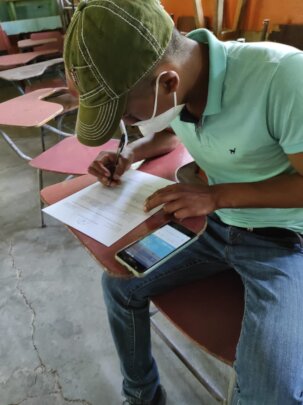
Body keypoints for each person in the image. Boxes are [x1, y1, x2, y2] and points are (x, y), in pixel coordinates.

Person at [64, 1, 303, 404]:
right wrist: (130, 153)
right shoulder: (181, 82)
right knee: (121, 285)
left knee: (271, 392)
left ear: (167, 83)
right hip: (211, 228)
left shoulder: (284, 76)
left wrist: (216, 195)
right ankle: (143, 395)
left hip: (280, 240)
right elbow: (174, 132)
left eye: (126, 113)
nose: (128, 123)